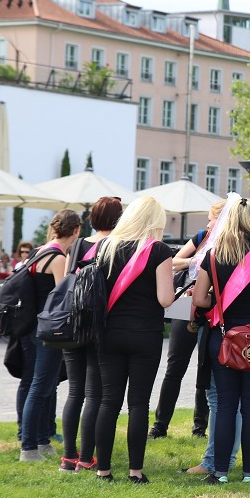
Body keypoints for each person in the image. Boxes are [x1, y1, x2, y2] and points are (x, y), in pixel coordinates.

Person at [192, 199, 250, 484]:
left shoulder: (213, 253)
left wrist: (219, 303)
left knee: (225, 406)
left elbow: (199, 299)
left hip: (224, 340)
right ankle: (249, 473)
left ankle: (219, 472)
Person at [93, 196, 175, 482]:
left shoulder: (105, 246)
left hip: (108, 332)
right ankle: (135, 471)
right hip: (145, 334)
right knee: (138, 404)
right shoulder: (159, 250)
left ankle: (102, 470)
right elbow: (165, 299)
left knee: (108, 401)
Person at [148, 200, 225, 440]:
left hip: (211, 309)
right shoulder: (201, 237)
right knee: (175, 367)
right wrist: (195, 261)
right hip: (186, 305)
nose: (208, 223)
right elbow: (172, 262)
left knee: (206, 369)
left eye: (211, 218)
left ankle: (199, 428)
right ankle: (160, 425)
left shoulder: (228, 245)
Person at [58, 196, 122, 473]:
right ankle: (86, 457)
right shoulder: (116, 246)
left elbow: (66, 281)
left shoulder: (78, 245)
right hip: (99, 325)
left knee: (74, 392)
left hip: (74, 323)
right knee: (94, 394)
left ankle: (68, 457)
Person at [18, 210, 81, 463]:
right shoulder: (57, 258)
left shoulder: (39, 251)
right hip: (47, 329)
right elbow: (65, 296)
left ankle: (42, 441)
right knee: (41, 386)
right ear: (75, 231)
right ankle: (29, 448)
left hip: (31, 326)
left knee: (41, 385)